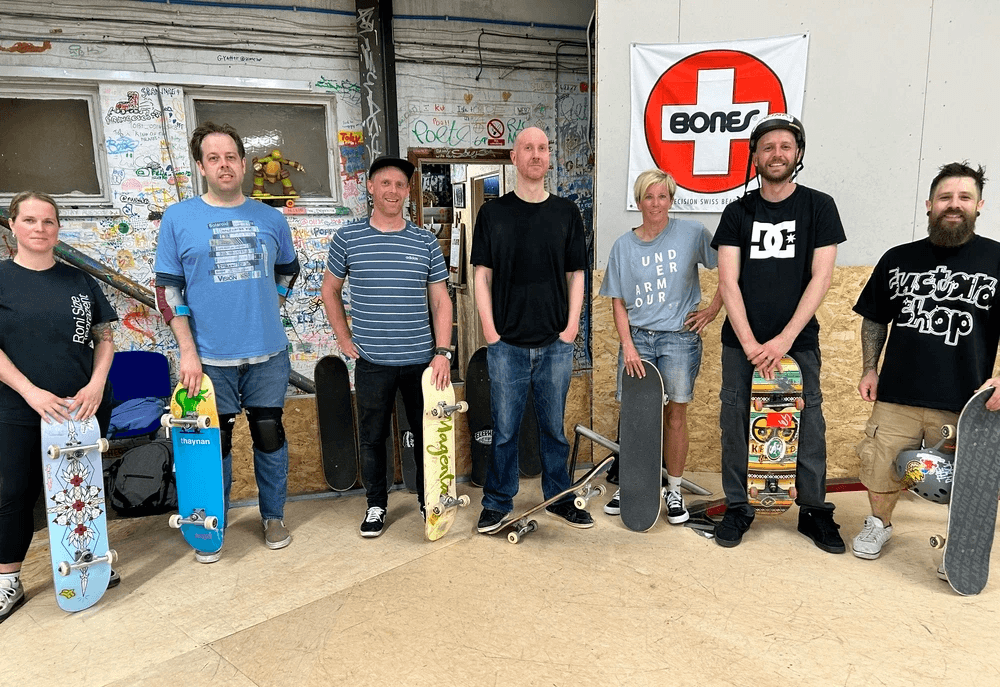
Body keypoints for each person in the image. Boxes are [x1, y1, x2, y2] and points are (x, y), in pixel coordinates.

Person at [154, 122, 300, 563]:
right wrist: (188, 352)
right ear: (200, 166)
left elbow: (288, 271)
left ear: (243, 161)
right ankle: (209, 523)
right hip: (208, 361)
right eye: (213, 158)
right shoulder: (179, 218)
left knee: (269, 435)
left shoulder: (271, 218)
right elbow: (169, 291)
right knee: (212, 447)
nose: (224, 165)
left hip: (268, 356)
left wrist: (264, 308)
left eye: (231, 157)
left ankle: (272, 515)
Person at [853, 161, 1000, 566]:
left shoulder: (997, 259)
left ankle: (960, 544)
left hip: (965, 400)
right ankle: (878, 524)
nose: (954, 205)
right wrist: (870, 368)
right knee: (882, 464)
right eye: (945, 197)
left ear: (979, 205)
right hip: (897, 391)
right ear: (929, 204)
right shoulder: (898, 258)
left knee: (965, 479)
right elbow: (875, 317)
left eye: (964, 197)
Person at [711, 113, 847, 552]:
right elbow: (728, 281)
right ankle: (738, 508)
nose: (776, 154)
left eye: (785, 147)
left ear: (798, 155)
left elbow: (820, 279)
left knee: (808, 425)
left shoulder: (819, 206)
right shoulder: (737, 212)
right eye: (767, 147)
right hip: (741, 345)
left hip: (799, 344)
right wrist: (751, 343)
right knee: (736, 422)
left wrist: (784, 340)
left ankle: (814, 512)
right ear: (754, 156)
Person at [0, 192, 120, 623]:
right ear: (12, 225)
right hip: (17, 406)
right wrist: (30, 391)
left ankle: (89, 562)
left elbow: (104, 338)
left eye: (48, 221)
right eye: (29, 220)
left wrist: (95, 384)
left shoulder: (80, 282)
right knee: (12, 493)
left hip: (80, 408)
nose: (40, 228)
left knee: (80, 493)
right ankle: (7, 580)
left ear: (57, 229)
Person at [320, 155, 452, 537]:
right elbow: (330, 290)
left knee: (430, 434)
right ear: (371, 188)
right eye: (385, 183)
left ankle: (431, 501)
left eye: (399, 185)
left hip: (423, 364)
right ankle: (376, 505)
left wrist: (443, 352)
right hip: (373, 361)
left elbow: (441, 301)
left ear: (407, 191)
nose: (393, 191)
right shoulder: (349, 237)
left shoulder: (425, 241)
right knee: (373, 437)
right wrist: (344, 339)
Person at [471, 126, 590, 532]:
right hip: (506, 345)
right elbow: (480, 276)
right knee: (504, 431)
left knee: (553, 429)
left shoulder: (566, 212)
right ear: (514, 158)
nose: (536, 154)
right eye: (528, 148)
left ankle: (559, 498)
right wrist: (489, 330)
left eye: (542, 148)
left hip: (556, 342)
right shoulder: (493, 214)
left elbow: (578, 273)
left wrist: (572, 326)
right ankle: (497, 501)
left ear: (548, 157)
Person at [599, 169, 722, 524]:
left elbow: (730, 267)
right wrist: (628, 346)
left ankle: (674, 489)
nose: (656, 204)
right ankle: (635, 485)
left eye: (662, 196)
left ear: (671, 199)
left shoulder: (692, 233)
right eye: (648, 197)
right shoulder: (624, 245)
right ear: (638, 202)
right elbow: (618, 301)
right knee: (637, 417)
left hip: (679, 339)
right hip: (637, 338)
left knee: (675, 415)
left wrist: (712, 310)